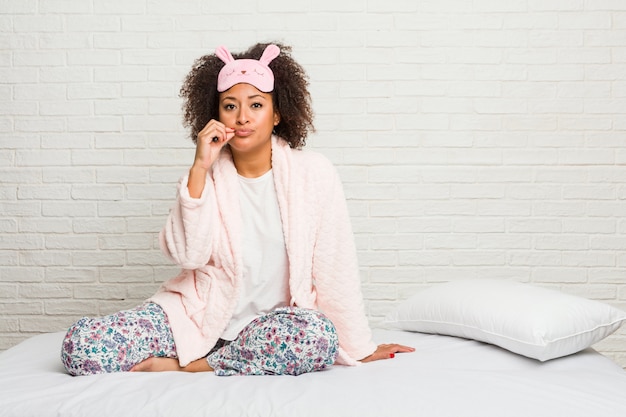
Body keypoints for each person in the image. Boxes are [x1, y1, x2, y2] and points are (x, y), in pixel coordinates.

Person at [61, 42, 414, 377]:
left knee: (319, 336)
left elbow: (336, 266)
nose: (243, 117)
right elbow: (189, 256)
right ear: (216, 114)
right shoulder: (207, 175)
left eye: (256, 105)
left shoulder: (314, 173)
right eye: (230, 105)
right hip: (198, 317)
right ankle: (211, 353)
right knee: (82, 347)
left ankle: (196, 366)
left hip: (270, 330)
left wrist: (359, 345)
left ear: (277, 114)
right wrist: (199, 167)